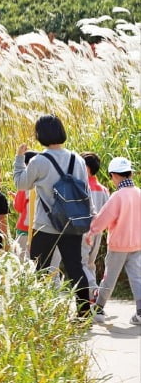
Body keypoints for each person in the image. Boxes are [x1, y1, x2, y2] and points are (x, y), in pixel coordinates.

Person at [14, 114, 91, 319]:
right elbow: (85, 191)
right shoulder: (78, 159)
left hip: (46, 225)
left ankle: (41, 314)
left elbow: (21, 184)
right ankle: (84, 314)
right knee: (76, 268)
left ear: (40, 134)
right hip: (72, 224)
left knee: (39, 268)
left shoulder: (39, 160)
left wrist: (19, 159)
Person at [85, 157, 141, 324]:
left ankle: (99, 308)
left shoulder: (118, 196)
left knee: (109, 278)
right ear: (130, 173)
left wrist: (91, 231)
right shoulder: (139, 193)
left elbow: (104, 217)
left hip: (118, 245)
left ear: (114, 176)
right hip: (137, 244)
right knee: (138, 277)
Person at [79, 152, 110, 302]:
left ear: (86, 168)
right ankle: (92, 295)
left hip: (84, 231)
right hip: (99, 232)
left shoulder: (82, 187)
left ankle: (94, 291)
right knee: (90, 263)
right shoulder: (104, 190)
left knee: (81, 263)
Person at [12, 150, 38, 260]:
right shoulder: (42, 182)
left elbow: (18, 206)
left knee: (21, 260)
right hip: (39, 228)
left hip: (24, 228)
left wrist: (15, 199)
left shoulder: (24, 184)